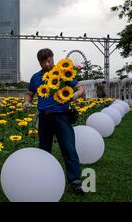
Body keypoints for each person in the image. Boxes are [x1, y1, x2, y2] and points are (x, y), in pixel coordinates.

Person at [23, 48, 85, 194]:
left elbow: (80, 88)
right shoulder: (36, 77)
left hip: (62, 116)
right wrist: (26, 102)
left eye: (49, 60)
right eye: (43, 62)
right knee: (44, 149)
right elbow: (29, 93)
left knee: (68, 148)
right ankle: (44, 177)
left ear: (53, 58)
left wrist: (75, 95)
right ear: (39, 62)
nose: (47, 64)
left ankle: (75, 180)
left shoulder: (63, 74)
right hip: (44, 117)